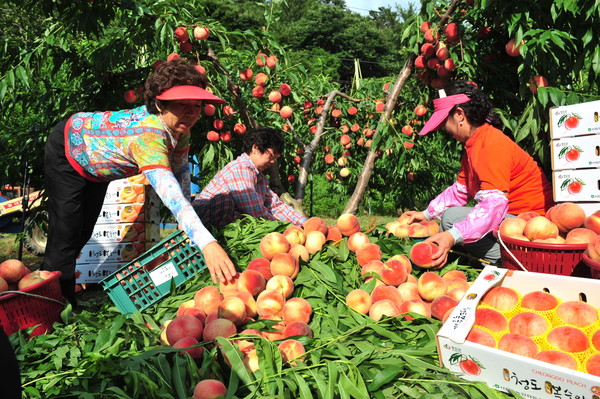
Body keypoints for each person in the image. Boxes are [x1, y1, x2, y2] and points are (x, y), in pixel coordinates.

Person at [42, 59, 236, 305]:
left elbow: (180, 177)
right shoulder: (149, 136)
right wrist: (207, 243)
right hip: (68, 149)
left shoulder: (180, 130)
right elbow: (169, 193)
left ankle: (50, 290)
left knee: (82, 231)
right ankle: (55, 307)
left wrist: (189, 231)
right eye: (182, 105)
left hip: (97, 169)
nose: (192, 112)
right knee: (66, 234)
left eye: (197, 106)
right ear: (159, 104)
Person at [401, 80, 554, 268]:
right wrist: (426, 214)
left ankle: (514, 263)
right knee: (450, 219)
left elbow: (494, 204)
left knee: (451, 220)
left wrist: (454, 235)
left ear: (459, 115)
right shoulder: (474, 144)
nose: (444, 129)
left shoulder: (491, 145)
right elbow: (460, 191)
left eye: (444, 122)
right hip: (511, 219)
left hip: (530, 226)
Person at [193, 127, 307, 229]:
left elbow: (276, 206)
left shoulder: (260, 179)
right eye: (272, 156)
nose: (273, 162)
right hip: (198, 223)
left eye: (275, 158)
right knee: (226, 203)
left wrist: (305, 223)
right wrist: (284, 230)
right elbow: (256, 212)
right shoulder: (239, 169)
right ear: (255, 148)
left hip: (220, 222)